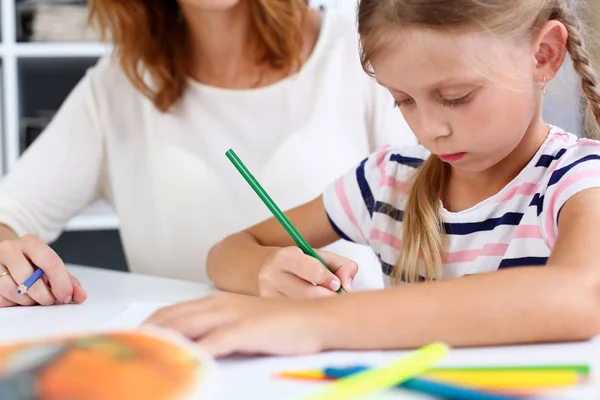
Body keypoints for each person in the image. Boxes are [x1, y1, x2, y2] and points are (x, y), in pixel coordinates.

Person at [146, 0, 600, 357]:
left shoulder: (579, 179)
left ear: (543, 54)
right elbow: (227, 252)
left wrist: (319, 323)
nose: (429, 130)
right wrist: (268, 272)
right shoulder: (387, 180)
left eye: (456, 97)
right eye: (403, 100)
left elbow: (577, 296)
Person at [0, 0, 415, 307]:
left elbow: (440, 217)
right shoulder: (118, 86)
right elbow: (10, 212)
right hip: (184, 371)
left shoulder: (361, 54)